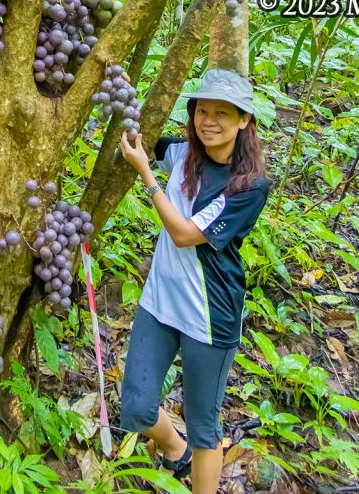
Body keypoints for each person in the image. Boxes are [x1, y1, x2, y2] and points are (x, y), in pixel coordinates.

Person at [117, 68, 271, 492]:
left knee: (205, 426)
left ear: (244, 120)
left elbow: (185, 235)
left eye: (223, 112)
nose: (210, 120)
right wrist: (127, 89)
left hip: (209, 314)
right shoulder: (183, 152)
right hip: (159, 303)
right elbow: (148, 139)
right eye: (203, 110)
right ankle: (173, 447)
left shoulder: (249, 186)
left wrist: (148, 180)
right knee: (136, 407)